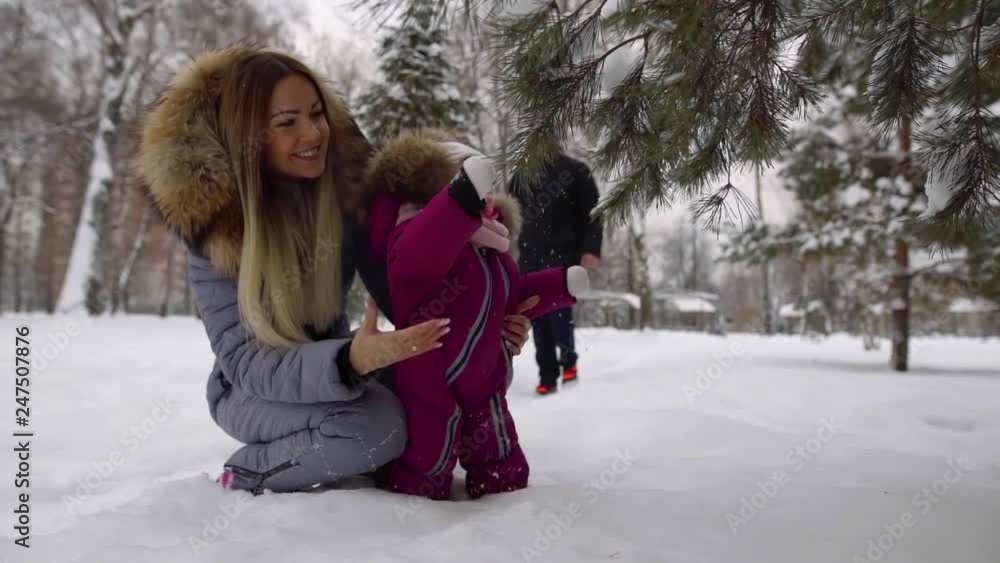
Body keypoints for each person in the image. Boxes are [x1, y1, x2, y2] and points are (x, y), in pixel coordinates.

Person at [137, 46, 534, 495]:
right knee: (377, 430)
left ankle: (365, 455)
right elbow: (247, 362)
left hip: (338, 361)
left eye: (316, 114)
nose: (312, 133)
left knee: (453, 375)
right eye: (286, 123)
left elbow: (404, 286)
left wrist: (483, 326)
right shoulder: (220, 232)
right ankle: (246, 474)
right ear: (249, 138)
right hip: (252, 389)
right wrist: (349, 362)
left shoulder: (342, 198)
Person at [364, 133, 590, 499]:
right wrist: (458, 203)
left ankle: (502, 485)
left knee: (493, 433)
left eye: (485, 189)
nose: (484, 197)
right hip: (429, 366)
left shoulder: (492, 249)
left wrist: (560, 285)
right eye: (470, 186)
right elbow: (416, 259)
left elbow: (515, 293)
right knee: (431, 434)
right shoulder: (412, 231)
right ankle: (419, 496)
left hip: (484, 370)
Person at [509, 151, 603, 395]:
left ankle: (569, 362)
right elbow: (510, 211)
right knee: (536, 312)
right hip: (530, 255)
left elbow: (593, 213)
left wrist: (591, 248)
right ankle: (547, 375)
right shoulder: (522, 175)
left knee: (559, 312)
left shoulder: (575, 170)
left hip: (564, 254)